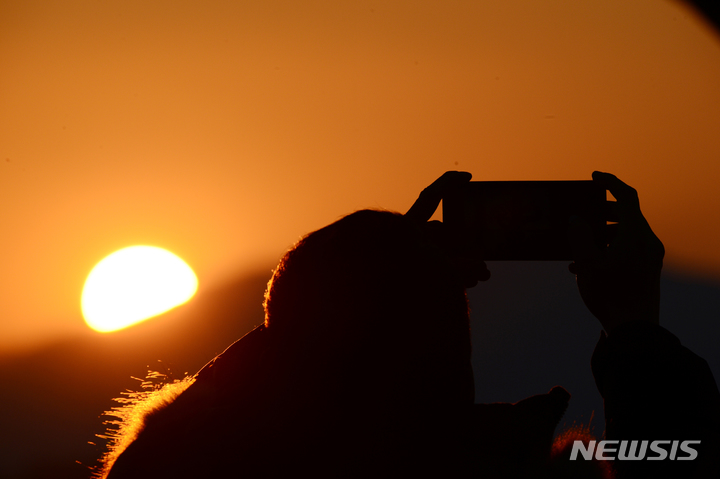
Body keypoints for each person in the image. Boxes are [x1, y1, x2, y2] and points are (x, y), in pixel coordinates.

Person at [97, 171, 720, 478]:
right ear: (446, 346)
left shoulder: (208, 462)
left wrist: (358, 279)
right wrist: (636, 330)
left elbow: (186, 450)